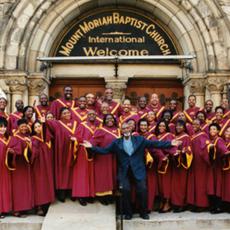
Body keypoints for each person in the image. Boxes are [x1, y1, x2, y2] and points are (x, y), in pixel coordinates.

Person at [82, 122, 180, 220]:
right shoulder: (117, 142)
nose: (126, 130)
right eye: (123, 128)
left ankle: (143, 212)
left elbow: (155, 144)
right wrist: (91, 147)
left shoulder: (140, 140)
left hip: (138, 170)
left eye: (127, 128)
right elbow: (105, 150)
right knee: (125, 190)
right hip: (124, 172)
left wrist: (170, 143)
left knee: (142, 190)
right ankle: (128, 213)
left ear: (131, 129)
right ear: (121, 130)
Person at [45, 107, 78, 202]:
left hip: (73, 151)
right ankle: (62, 192)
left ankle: (72, 191)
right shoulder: (57, 123)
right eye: (64, 113)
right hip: (61, 152)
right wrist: (42, 121)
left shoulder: (76, 123)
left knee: (73, 171)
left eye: (68, 112)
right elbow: (46, 124)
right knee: (62, 171)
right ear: (60, 115)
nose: (67, 114)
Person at [90, 114, 120, 205]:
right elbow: (93, 142)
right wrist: (91, 146)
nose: (109, 120)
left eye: (111, 118)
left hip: (114, 157)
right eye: (107, 119)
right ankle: (101, 196)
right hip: (102, 157)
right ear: (104, 120)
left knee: (111, 175)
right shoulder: (100, 130)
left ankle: (110, 195)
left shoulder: (118, 130)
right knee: (103, 176)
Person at [72, 110, 100, 205]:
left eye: (94, 114)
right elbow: (77, 137)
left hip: (93, 151)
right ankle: (81, 195)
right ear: (87, 116)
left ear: (96, 116)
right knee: (82, 173)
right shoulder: (82, 125)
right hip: (82, 152)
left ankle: (89, 194)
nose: (92, 116)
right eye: (90, 114)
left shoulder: (98, 126)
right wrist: (85, 142)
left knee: (91, 173)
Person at [6, 119, 33, 217]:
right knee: (18, 188)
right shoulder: (15, 138)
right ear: (18, 127)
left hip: (26, 166)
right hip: (18, 167)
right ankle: (16, 210)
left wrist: (30, 144)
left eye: (25, 126)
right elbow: (11, 149)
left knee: (25, 187)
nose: (24, 128)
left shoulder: (28, 137)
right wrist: (15, 150)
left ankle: (24, 208)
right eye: (22, 126)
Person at [31, 120, 55, 216]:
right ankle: (39, 206)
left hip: (47, 165)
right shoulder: (33, 139)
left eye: (39, 126)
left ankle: (47, 202)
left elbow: (47, 135)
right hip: (38, 165)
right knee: (39, 184)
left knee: (46, 183)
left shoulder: (47, 137)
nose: (38, 128)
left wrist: (44, 123)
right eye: (35, 127)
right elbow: (33, 154)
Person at [187, 119, 212, 212]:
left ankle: (202, 204)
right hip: (194, 163)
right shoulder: (192, 135)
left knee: (201, 184)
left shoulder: (203, 135)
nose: (194, 125)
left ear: (200, 125)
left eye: (197, 124)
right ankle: (195, 203)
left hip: (201, 164)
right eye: (193, 124)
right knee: (194, 184)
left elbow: (206, 147)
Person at [155, 120, 177, 213]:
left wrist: (170, 154)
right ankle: (162, 202)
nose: (161, 127)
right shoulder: (156, 136)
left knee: (166, 184)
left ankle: (167, 204)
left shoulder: (169, 135)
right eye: (160, 126)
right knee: (160, 184)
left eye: (163, 126)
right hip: (159, 162)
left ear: (166, 127)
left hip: (166, 163)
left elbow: (173, 147)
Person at [171, 120, 192, 212]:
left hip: (182, 164)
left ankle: (182, 204)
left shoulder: (186, 137)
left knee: (181, 185)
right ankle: (175, 203)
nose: (178, 127)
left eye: (180, 126)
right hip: (175, 163)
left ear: (184, 127)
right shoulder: (175, 136)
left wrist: (182, 152)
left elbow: (188, 149)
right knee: (175, 185)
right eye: (177, 126)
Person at [0, 117, 11, 218]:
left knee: (4, 188)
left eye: (4, 127)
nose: (3, 129)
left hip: (5, 167)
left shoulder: (7, 138)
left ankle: (4, 209)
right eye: (0, 127)